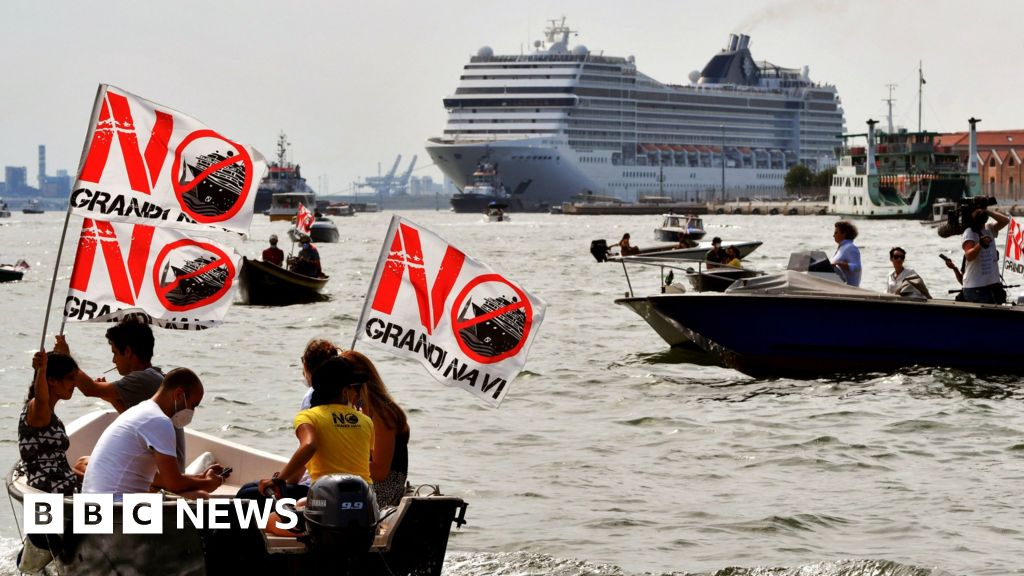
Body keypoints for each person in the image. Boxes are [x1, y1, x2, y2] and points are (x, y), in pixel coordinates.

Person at [254, 357, 375, 533]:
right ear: (344, 391)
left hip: (329, 505)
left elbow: (309, 445)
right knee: (302, 503)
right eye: (354, 387)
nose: (357, 392)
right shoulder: (366, 421)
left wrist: (278, 480)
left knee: (264, 521)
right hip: (366, 507)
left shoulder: (309, 417)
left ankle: (309, 536)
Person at [57, 318, 185, 472]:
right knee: (84, 462)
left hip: (162, 472)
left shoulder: (142, 379)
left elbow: (90, 389)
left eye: (115, 353)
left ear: (128, 352)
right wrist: (113, 399)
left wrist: (65, 358)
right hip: (167, 468)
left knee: (81, 466)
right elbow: (132, 419)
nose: (114, 360)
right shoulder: (155, 376)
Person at [81, 368, 225, 499]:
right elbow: (174, 484)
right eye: (193, 405)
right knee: (200, 497)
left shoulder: (142, 411)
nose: (192, 412)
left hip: (94, 503)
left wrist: (200, 477)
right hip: (115, 507)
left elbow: (159, 478)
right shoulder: (159, 421)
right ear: (179, 394)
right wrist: (208, 484)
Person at [343, 350, 410, 508]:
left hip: (384, 491)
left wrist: (341, 458)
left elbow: (380, 472)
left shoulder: (382, 415)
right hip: (365, 484)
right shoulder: (359, 411)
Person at [17, 351, 82, 495]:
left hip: (68, 487)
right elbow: (41, 399)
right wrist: (42, 369)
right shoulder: (37, 411)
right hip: (53, 492)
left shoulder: (51, 417)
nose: (75, 384)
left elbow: (58, 464)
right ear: (52, 380)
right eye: (71, 378)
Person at [961, 203, 1010, 304]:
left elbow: (1006, 221)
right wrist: (980, 244)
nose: (980, 212)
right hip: (976, 287)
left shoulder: (989, 228)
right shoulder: (969, 232)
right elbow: (969, 256)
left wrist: (986, 211)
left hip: (993, 284)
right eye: (977, 211)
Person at [830, 220, 862, 286]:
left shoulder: (851, 248)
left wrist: (839, 264)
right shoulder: (841, 248)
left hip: (850, 291)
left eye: (836, 233)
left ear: (844, 233)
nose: (833, 235)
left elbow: (857, 267)